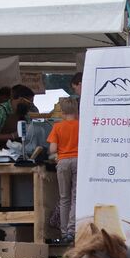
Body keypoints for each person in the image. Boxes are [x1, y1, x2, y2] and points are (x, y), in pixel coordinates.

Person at [48, 97, 79, 242]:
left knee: (64, 198)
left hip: (63, 162)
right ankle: (72, 231)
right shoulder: (82, 126)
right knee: (75, 197)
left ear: (62, 112)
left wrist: (57, 153)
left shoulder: (57, 127)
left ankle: (64, 231)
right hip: (79, 161)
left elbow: (53, 148)